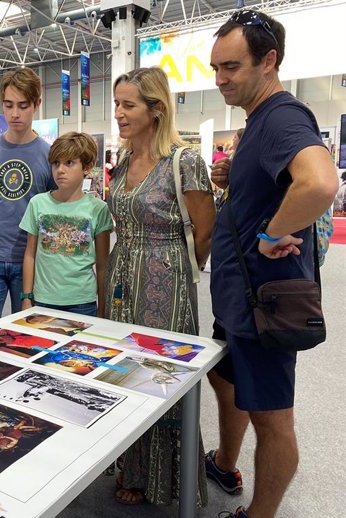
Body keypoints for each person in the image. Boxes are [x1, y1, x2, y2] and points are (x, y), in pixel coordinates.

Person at [208, 10, 338, 518]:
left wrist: (272, 235)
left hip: (266, 306)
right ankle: (224, 460)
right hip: (241, 300)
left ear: (269, 61)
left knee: (272, 419)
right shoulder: (259, 120)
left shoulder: (282, 115)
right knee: (229, 382)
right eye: (215, 67)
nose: (220, 80)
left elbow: (321, 183)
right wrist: (235, 181)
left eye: (232, 67)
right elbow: (281, 182)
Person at [105, 66, 216, 506]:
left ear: (156, 109)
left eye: (128, 105)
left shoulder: (184, 161)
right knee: (121, 372)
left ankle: (168, 479)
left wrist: (175, 274)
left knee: (161, 377)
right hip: (121, 277)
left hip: (165, 278)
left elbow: (205, 231)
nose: (119, 113)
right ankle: (132, 471)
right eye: (116, 104)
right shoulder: (124, 160)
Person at [0, 67, 55, 329]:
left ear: (37, 104)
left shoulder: (49, 155)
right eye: (8, 105)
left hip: (29, 259)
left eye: (23, 105)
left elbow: (51, 209)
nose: (15, 114)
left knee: (28, 337)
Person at [19, 132, 112, 317]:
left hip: (83, 301)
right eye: (56, 163)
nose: (60, 170)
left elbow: (103, 265)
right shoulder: (38, 203)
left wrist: (102, 307)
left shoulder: (98, 209)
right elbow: (30, 253)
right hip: (43, 299)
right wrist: (26, 297)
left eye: (69, 163)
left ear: (87, 167)